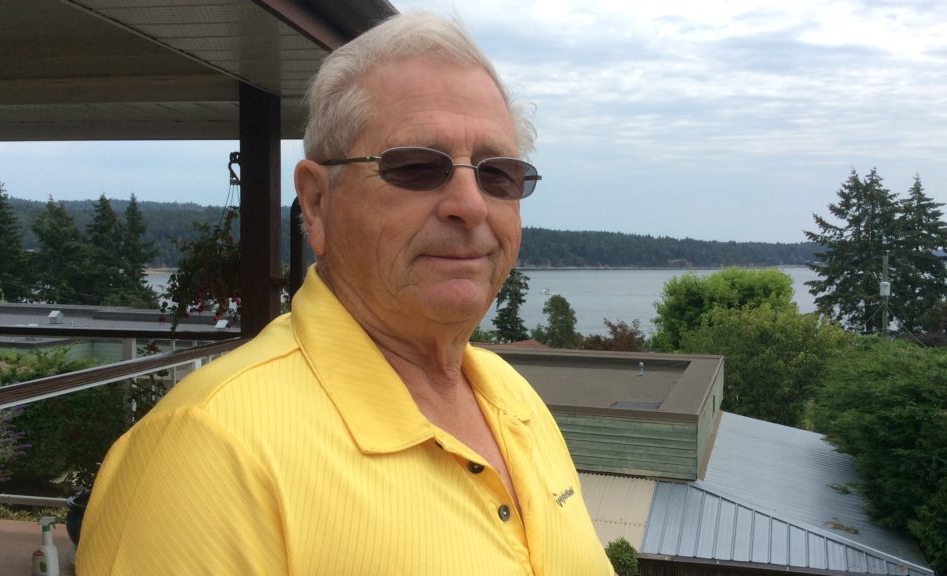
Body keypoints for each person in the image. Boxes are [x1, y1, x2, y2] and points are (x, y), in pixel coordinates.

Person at [77, 11, 613, 575]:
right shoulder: (207, 451)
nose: (471, 204)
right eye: (415, 167)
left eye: (498, 174)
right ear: (315, 202)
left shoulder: (514, 401)